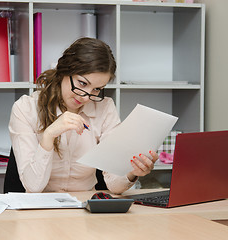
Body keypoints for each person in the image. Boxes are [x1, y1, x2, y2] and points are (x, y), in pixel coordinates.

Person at [8, 37, 158, 194]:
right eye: (83, 84)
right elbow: (33, 187)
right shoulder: (26, 108)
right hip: (41, 211)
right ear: (64, 71)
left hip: (86, 209)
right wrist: (48, 136)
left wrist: (132, 172)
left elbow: (113, 185)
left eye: (96, 89)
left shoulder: (104, 108)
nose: (86, 97)